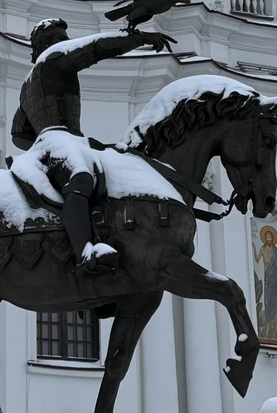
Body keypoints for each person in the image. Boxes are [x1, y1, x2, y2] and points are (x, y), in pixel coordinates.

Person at [10, 18, 168, 272]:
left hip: (53, 142)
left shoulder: (27, 84)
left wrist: (46, 139)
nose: (67, 42)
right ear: (47, 43)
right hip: (59, 141)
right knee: (80, 177)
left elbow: (18, 133)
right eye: (62, 38)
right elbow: (96, 47)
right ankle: (85, 254)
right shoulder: (54, 58)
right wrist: (141, 39)